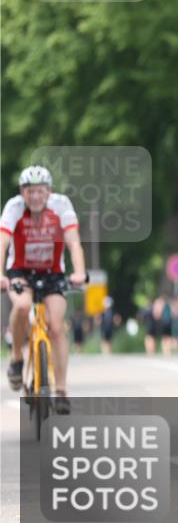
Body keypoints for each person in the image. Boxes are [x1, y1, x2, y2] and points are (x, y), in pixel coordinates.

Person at [1, 166, 87, 414]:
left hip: (52, 274)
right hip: (20, 272)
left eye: (40, 191)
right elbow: (3, 242)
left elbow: (73, 242)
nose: (35, 197)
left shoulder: (61, 206)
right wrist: (1, 275)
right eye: (30, 191)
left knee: (57, 327)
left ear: (49, 191)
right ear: (22, 192)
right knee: (22, 306)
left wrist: (79, 272)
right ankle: (17, 358)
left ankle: (60, 390)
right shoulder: (14, 207)